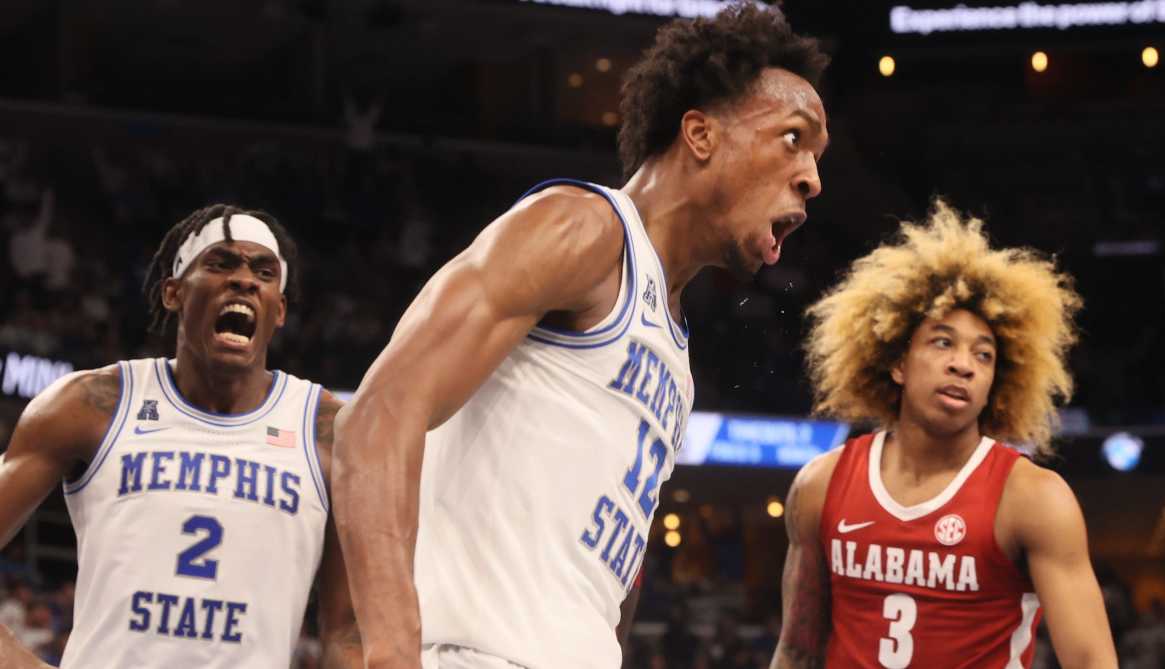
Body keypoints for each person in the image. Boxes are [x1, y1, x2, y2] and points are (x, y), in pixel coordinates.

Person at [331, 3, 831, 668]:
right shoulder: (584, 229)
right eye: (794, 139)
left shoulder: (677, 362)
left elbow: (611, 587)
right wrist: (391, 651)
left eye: (819, 157)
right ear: (700, 133)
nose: (813, 178)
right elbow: (375, 416)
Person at [0, 204, 360, 667]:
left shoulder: (326, 431)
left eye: (264, 272)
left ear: (280, 309)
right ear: (173, 293)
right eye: (221, 263)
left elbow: (347, 629)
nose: (245, 280)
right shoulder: (90, 404)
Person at [770, 201, 1117, 668]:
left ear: (998, 381)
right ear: (896, 361)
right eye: (942, 342)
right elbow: (796, 652)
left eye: (984, 355)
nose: (962, 365)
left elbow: (1093, 661)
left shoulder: (1034, 499)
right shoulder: (820, 485)